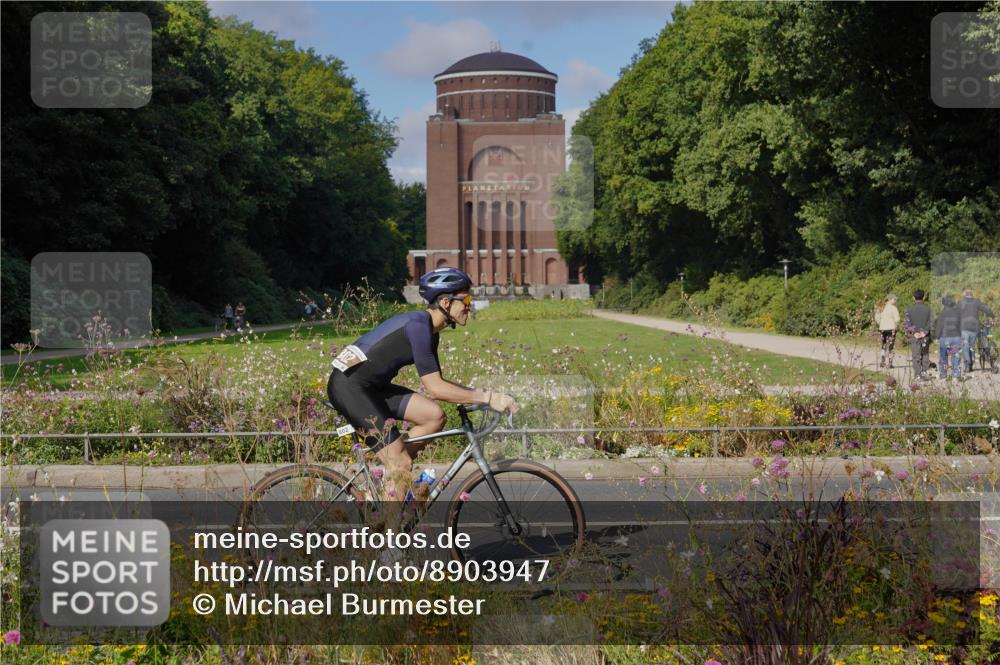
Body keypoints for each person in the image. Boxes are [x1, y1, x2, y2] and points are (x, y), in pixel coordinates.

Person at [326, 267, 518, 501]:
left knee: (433, 416)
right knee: (401, 462)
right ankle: (389, 532)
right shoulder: (419, 326)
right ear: (446, 302)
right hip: (349, 387)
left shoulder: (429, 330)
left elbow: (439, 383)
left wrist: (486, 395)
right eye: (466, 299)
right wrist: (489, 398)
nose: (470, 305)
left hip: (371, 388)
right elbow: (435, 389)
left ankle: (386, 486)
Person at [959, 288, 996, 373]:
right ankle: (970, 365)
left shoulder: (961, 302)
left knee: (965, 346)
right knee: (971, 346)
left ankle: (968, 364)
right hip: (974, 328)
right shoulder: (976, 302)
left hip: (964, 327)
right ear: (971, 294)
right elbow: (986, 309)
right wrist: (993, 316)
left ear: (964, 295)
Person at [903, 289, 932, 380]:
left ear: (913, 298)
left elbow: (907, 324)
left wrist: (915, 332)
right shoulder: (929, 309)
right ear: (923, 297)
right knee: (925, 354)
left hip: (914, 336)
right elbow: (931, 322)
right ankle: (924, 372)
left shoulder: (909, 309)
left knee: (916, 354)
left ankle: (917, 374)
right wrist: (924, 332)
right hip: (925, 336)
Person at [934, 295, 963, 381]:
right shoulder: (958, 313)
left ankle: (943, 374)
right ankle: (956, 375)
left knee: (943, 356)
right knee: (955, 356)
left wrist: (937, 336)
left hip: (945, 337)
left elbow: (939, 326)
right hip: (956, 337)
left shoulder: (942, 313)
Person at [875, 293, 900, 369]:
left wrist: (881, 323)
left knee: (884, 345)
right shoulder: (893, 308)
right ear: (890, 299)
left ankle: (882, 362)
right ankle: (890, 363)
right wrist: (896, 326)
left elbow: (877, 318)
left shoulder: (881, 307)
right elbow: (897, 319)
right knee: (891, 346)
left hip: (882, 329)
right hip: (891, 329)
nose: (895, 301)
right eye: (894, 299)